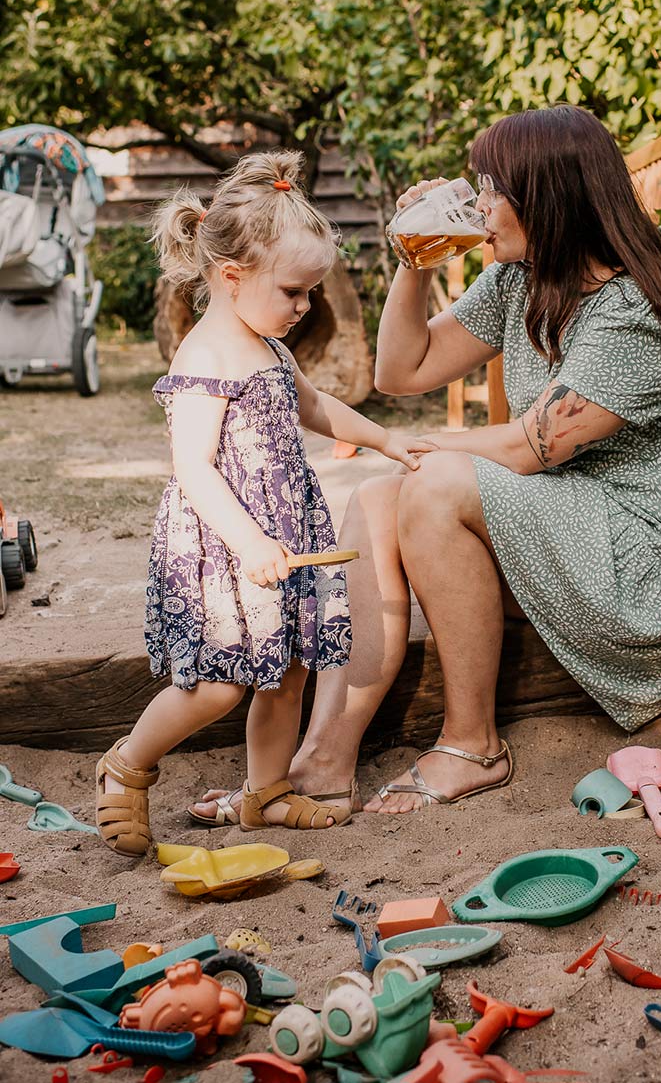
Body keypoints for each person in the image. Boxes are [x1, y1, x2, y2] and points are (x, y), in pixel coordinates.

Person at [192, 105, 661, 823]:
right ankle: (324, 758)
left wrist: (408, 448)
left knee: (433, 482)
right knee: (377, 499)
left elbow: (529, 447)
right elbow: (401, 369)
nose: (479, 206)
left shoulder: (634, 312)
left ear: (545, 199)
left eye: (491, 189)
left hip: (654, 560)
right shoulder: (526, 280)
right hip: (570, 521)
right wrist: (415, 262)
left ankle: (474, 745)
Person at [95, 151, 433, 857]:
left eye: (311, 291)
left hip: (284, 536)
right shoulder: (205, 357)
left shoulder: (271, 348)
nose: (305, 306)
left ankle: (267, 792)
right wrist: (248, 541)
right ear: (231, 277)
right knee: (219, 686)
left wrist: (384, 439)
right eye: (294, 291)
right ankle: (126, 764)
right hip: (226, 545)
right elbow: (193, 467)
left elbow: (315, 405)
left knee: (287, 674)